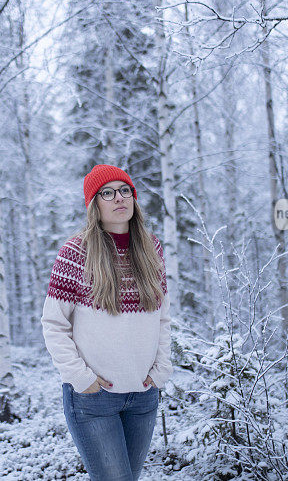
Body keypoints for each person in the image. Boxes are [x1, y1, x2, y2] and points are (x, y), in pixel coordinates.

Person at [41, 164, 173, 481]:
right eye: (108, 192)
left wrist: (162, 369)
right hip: (94, 399)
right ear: (94, 204)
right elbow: (53, 324)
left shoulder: (152, 249)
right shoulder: (76, 252)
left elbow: (163, 316)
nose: (119, 198)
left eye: (125, 190)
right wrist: (79, 377)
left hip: (143, 395)